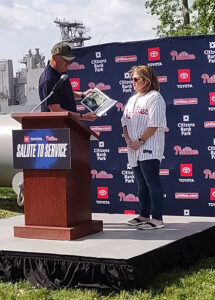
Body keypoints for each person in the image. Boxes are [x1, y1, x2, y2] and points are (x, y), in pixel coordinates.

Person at [121, 65, 167, 230]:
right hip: (133, 149)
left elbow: (154, 124)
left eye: (136, 79)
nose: (132, 82)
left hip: (149, 146)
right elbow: (124, 121)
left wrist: (140, 141)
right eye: (132, 79)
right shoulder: (132, 99)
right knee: (141, 184)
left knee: (151, 183)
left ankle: (157, 219)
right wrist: (127, 139)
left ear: (146, 81)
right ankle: (144, 214)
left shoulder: (155, 97)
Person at [39, 41, 97, 121]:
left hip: (68, 125)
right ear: (54, 57)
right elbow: (56, 111)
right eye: (64, 60)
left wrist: (83, 94)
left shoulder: (60, 72)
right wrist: (84, 117)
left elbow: (65, 94)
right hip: (57, 129)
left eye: (69, 60)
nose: (68, 63)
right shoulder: (48, 80)